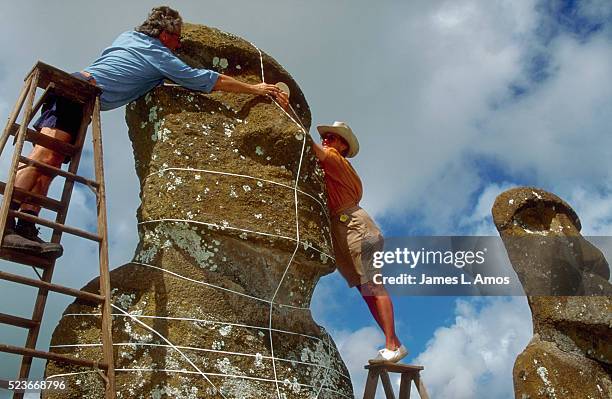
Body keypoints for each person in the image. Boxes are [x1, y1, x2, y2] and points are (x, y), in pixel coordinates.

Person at [2, 6, 288, 258]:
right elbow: (204, 79)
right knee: (44, 155)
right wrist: (254, 88)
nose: (178, 46)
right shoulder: (157, 54)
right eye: (178, 39)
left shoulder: (129, 38)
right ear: (165, 34)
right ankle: (4, 220)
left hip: (83, 98)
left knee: (50, 165)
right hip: (75, 91)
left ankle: (25, 224)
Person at [312, 121, 407, 363]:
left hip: (354, 226)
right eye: (327, 136)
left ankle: (391, 345)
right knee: (366, 290)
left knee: (373, 285)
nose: (327, 139)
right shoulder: (336, 168)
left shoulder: (334, 158)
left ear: (342, 145)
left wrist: (291, 122)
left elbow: (315, 150)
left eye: (332, 137)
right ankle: (394, 343)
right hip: (345, 228)